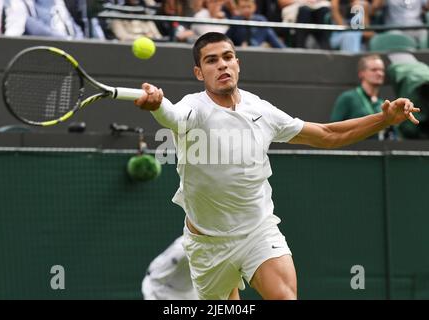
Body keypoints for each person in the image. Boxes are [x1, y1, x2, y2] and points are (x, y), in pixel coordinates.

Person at [134, 32, 419, 300]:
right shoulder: (192, 108)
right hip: (208, 245)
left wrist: (384, 119)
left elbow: (329, 135)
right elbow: (172, 115)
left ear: (237, 63)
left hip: (257, 231)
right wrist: (158, 105)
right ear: (199, 72)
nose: (222, 65)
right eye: (211, 60)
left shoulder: (261, 110)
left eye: (227, 57)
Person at [330, 54, 398, 140]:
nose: (380, 73)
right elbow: (332, 131)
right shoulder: (348, 98)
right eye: (374, 70)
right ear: (361, 74)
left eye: (382, 70)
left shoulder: (382, 102)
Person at [141, 236, 199, 300]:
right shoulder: (181, 250)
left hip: (190, 291)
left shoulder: (208, 245)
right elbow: (153, 280)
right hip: (164, 290)